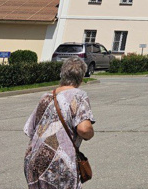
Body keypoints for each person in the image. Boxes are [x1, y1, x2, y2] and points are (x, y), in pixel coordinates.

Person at [24, 57, 95, 189]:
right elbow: (84, 129)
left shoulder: (45, 97)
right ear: (81, 78)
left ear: (61, 74)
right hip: (59, 164)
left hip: (33, 161)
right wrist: (90, 133)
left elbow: (30, 130)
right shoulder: (79, 95)